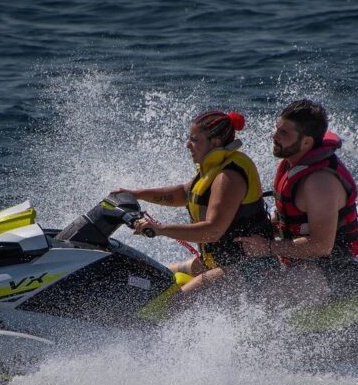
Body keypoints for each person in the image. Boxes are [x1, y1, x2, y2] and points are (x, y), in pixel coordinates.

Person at [116, 110, 273, 293]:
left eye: (194, 140)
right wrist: (137, 194)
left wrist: (160, 230)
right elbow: (185, 193)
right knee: (156, 276)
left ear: (215, 142)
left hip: (247, 268)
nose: (188, 145)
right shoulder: (214, 167)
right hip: (219, 262)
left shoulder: (228, 177)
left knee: (173, 305)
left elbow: (212, 231)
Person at [236, 99, 358, 297]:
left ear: (306, 142)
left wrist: (268, 247)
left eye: (284, 133)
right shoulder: (293, 164)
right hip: (301, 262)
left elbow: (322, 246)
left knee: (257, 295)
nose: (274, 136)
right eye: (277, 129)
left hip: (338, 272)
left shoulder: (320, 183)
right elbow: (288, 218)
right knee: (234, 272)